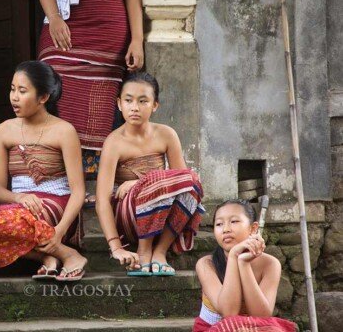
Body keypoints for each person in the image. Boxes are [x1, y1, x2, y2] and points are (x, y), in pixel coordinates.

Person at [0, 61, 87, 281]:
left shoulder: (64, 131)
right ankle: (54, 255)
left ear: (43, 97)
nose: (14, 97)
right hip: (19, 208)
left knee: (17, 220)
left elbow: (78, 191)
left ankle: (66, 250)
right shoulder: (3, 131)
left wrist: (60, 230)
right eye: (12, 89)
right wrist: (20, 196)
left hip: (58, 208)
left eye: (22, 91)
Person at [36, 0, 144, 177]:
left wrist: (137, 39)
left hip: (109, 25)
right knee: (52, 85)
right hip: (63, 19)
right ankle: (58, 176)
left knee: (102, 99)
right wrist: (54, 17)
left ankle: (96, 179)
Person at [96, 72, 204, 276]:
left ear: (155, 105)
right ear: (119, 104)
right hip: (130, 217)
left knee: (192, 184)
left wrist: (139, 182)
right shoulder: (113, 142)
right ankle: (143, 250)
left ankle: (160, 251)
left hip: (162, 217)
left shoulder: (166, 134)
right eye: (128, 100)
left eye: (143, 101)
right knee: (155, 181)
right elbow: (102, 201)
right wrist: (116, 247)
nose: (134, 107)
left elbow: (183, 181)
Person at [193, 199, 296, 332]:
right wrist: (233, 256)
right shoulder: (206, 264)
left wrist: (243, 263)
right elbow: (229, 313)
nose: (226, 229)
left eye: (234, 221)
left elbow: (262, 316)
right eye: (219, 224)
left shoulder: (270, 264)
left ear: (253, 228)